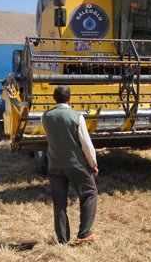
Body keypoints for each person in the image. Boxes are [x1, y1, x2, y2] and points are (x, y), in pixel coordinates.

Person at [42, 85, 100, 244]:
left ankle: (62, 238)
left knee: (59, 202)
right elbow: (86, 145)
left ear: (54, 98)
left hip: (54, 164)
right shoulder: (77, 117)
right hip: (76, 164)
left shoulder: (46, 116)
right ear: (70, 98)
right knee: (89, 192)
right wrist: (93, 164)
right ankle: (84, 233)